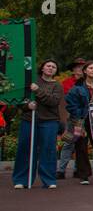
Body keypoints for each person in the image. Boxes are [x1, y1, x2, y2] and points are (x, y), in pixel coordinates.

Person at [14, 59, 63, 189]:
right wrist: (27, 106)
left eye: (54, 66)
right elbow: (20, 99)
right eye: (48, 65)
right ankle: (22, 179)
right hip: (29, 119)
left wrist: (38, 91)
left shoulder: (57, 85)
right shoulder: (32, 80)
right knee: (25, 148)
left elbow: (53, 101)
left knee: (48, 150)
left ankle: (48, 180)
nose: (51, 68)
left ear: (56, 71)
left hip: (49, 121)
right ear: (42, 68)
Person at [56, 58, 88, 179]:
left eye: (83, 67)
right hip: (72, 119)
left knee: (80, 144)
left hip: (83, 119)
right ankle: (61, 170)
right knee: (68, 143)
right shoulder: (66, 83)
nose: (80, 69)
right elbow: (64, 104)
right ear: (73, 69)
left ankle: (77, 169)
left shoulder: (88, 82)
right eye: (78, 67)